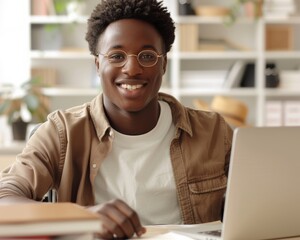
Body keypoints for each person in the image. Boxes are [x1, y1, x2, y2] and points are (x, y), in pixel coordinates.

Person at [0, 0, 233, 239]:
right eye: (117, 55)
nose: (132, 69)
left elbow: (259, 201)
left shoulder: (214, 131)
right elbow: (4, 200)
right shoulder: (62, 132)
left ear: (163, 64)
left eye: (147, 56)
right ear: (98, 64)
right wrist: (82, 217)